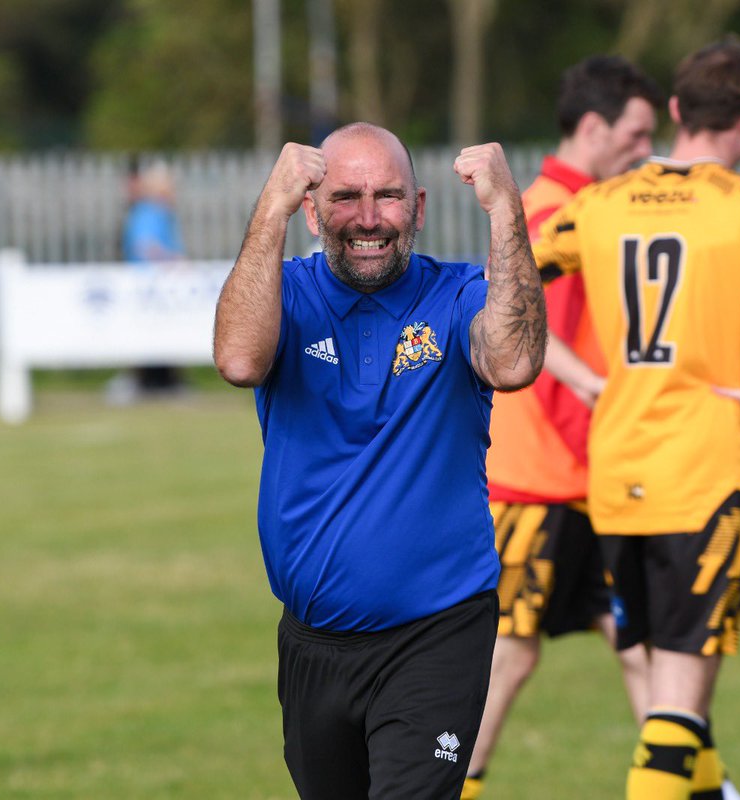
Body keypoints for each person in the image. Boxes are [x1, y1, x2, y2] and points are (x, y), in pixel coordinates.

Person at [531, 38, 740, 799]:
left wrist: (583, 380)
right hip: (702, 473)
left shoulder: (598, 203)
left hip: (616, 471)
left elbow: (499, 290)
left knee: (673, 693)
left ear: (674, 111)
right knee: (677, 701)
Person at [213, 122, 545, 799]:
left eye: (389, 197)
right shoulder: (287, 295)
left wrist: (508, 210)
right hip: (312, 643)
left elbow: (514, 361)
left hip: (438, 631)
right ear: (312, 209)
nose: (369, 218)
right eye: (346, 197)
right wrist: (270, 207)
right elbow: (239, 359)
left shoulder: (455, 296)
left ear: (419, 208)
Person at [462, 55, 663, 800]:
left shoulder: (608, 207)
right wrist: (595, 386)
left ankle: (696, 784)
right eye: (637, 134)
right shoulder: (548, 208)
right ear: (592, 127)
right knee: (509, 656)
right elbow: (514, 323)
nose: (647, 149)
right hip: (534, 479)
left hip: (596, 473)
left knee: (638, 642)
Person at [113, 158, 186, 397]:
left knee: (161, 337)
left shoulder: (158, 212)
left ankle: (162, 381)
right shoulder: (150, 212)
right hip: (149, 286)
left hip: (157, 286)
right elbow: (146, 247)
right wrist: (174, 263)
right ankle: (150, 383)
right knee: (150, 336)